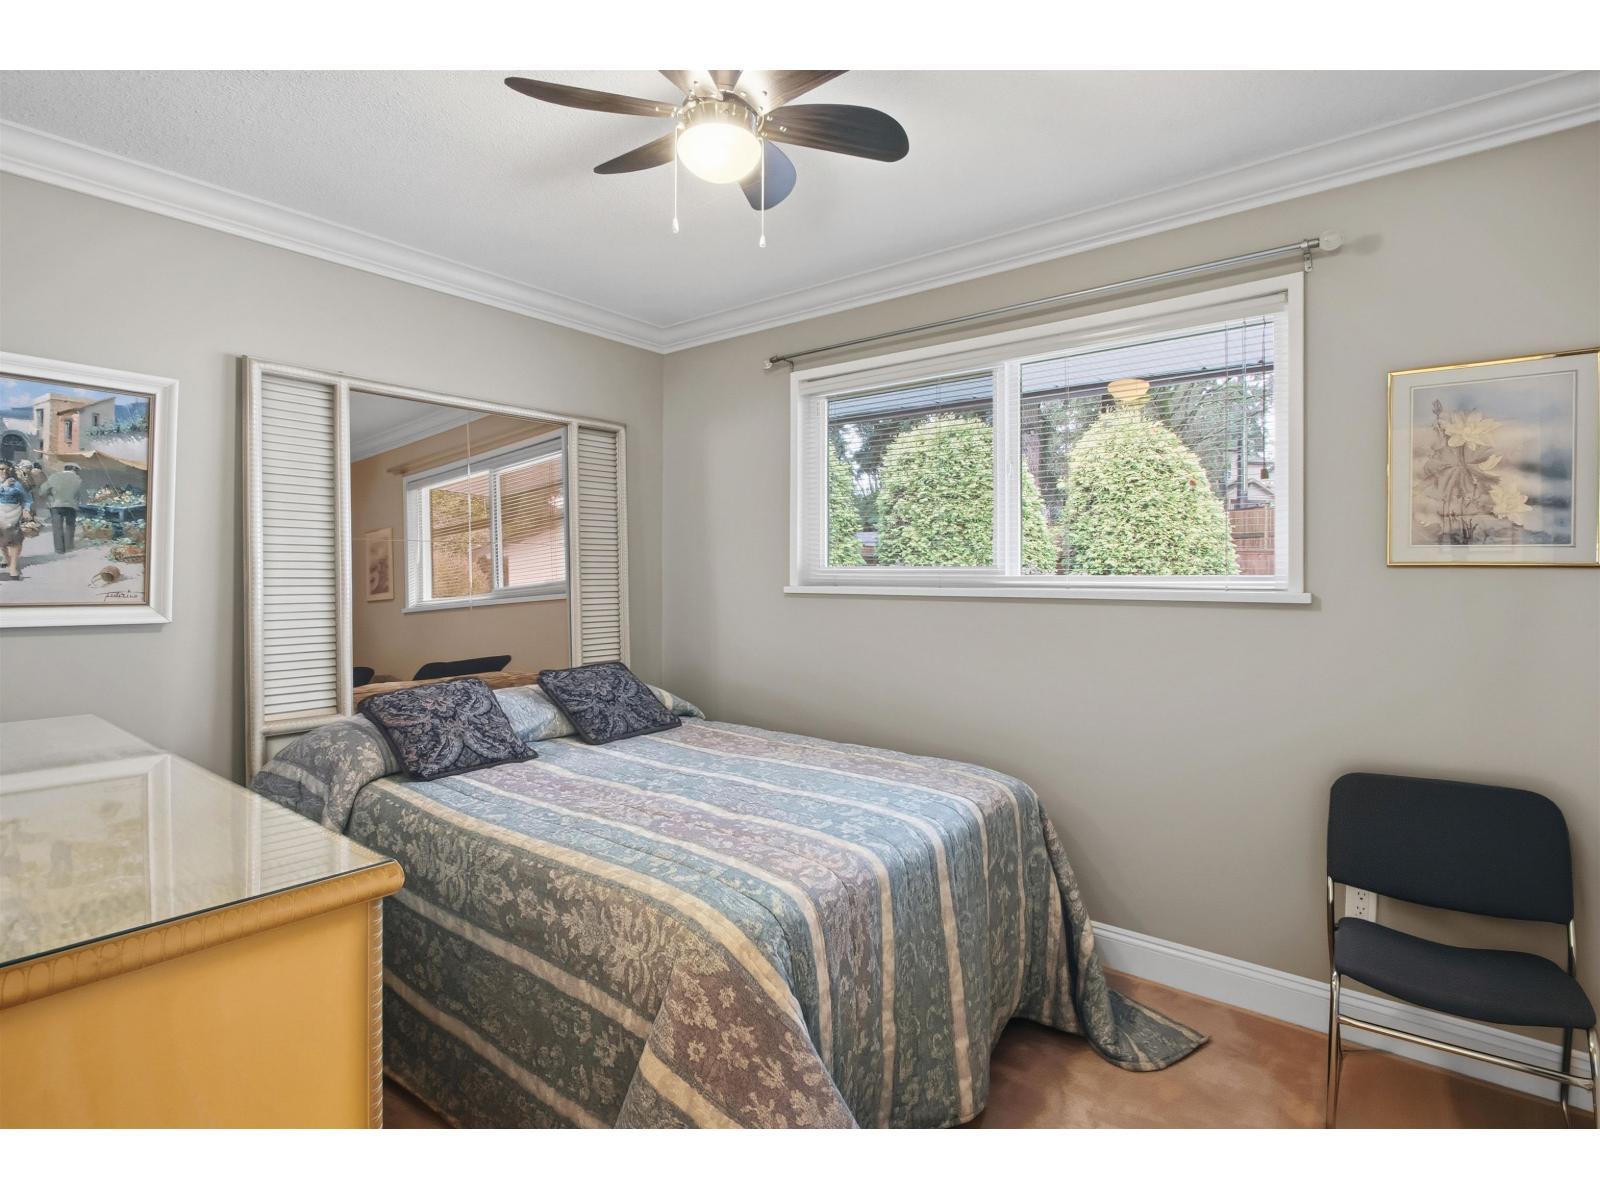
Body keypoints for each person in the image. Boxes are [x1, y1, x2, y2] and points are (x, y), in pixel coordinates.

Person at [0, 461, 34, 580]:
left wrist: (26, 509)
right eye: (1, 469)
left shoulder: (16, 484)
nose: (4, 472)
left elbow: (27, 499)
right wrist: (3, 487)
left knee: (14, 541)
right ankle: (8, 561)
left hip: (13, 513)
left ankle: (13, 567)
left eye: (6, 469)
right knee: (2, 541)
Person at [43, 462, 84, 554]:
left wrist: (49, 495)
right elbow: (78, 493)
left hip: (56, 504)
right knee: (70, 526)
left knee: (57, 527)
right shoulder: (78, 479)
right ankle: (68, 547)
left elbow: (43, 489)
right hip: (71, 505)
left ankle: (59, 550)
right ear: (74, 470)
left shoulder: (54, 476)